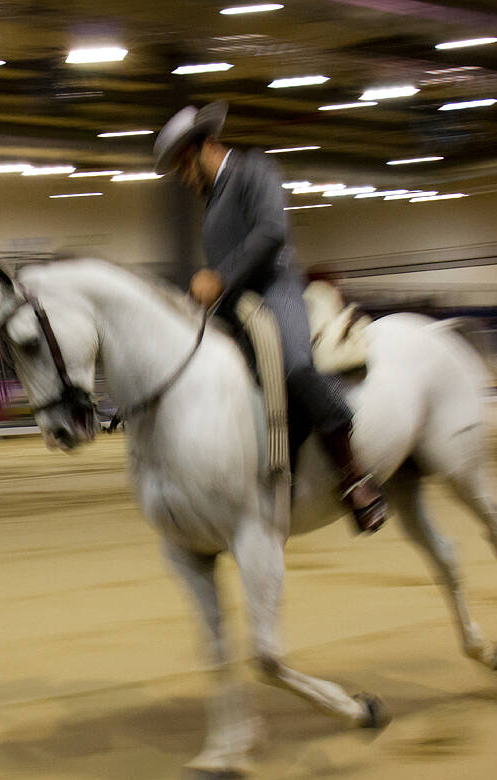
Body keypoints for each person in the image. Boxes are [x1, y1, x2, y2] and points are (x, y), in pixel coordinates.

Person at [152, 100, 388, 534]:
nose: (185, 178)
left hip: (276, 285)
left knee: (296, 365)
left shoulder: (254, 169)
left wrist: (219, 278)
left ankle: (355, 477)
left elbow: (270, 232)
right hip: (235, 300)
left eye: (185, 166)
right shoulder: (212, 201)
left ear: (207, 145)